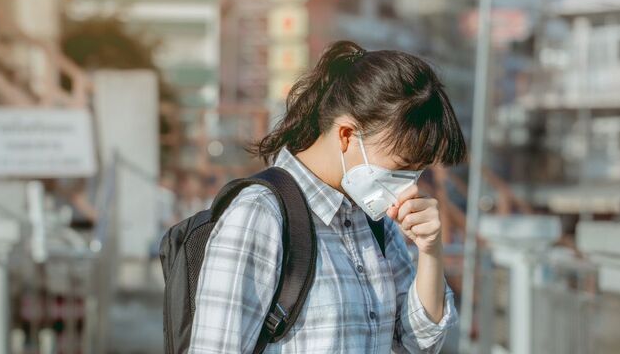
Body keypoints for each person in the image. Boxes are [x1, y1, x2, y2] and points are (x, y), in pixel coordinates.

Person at [188, 40, 467, 353]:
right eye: (402, 166)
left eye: (418, 171)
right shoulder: (261, 214)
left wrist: (430, 252)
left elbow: (420, 344)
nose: (409, 185)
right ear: (347, 135)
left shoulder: (374, 222)